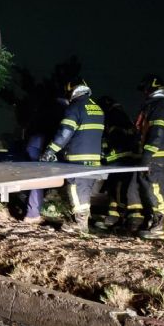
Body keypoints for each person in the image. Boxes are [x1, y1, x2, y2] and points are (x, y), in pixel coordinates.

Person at [39, 78, 104, 233]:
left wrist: (50, 151)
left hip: (77, 159)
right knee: (85, 191)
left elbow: (65, 132)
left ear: (72, 91)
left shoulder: (75, 107)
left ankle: (80, 226)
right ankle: (83, 224)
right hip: (94, 159)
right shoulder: (97, 108)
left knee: (75, 189)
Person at [134, 74, 164, 240]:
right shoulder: (157, 105)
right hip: (155, 157)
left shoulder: (160, 106)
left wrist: (147, 155)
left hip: (156, 158)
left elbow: (157, 133)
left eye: (145, 89)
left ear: (150, 88)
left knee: (155, 189)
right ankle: (155, 222)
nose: (144, 92)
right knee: (150, 190)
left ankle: (160, 224)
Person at [93, 96, 144, 231]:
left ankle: (131, 219)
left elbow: (114, 140)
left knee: (121, 188)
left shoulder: (113, 117)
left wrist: (105, 156)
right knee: (119, 188)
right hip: (127, 159)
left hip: (121, 160)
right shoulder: (121, 116)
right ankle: (118, 218)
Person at [22, 96, 68, 223]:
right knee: (39, 180)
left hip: (33, 145)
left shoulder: (43, 109)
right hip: (41, 146)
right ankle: (32, 215)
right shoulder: (61, 111)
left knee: (37, 179)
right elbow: (61, 133)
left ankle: (33, 212)